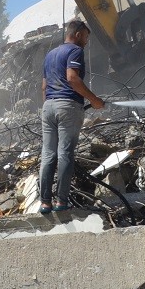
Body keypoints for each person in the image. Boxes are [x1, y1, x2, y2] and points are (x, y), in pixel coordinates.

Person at [38, 20, 105, 214]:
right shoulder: (75, 51)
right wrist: (94, 100)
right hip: (67, 106)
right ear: (77, 34)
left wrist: (49, 105)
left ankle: (45, 203)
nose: (86, 41)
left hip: (48, 106)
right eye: (86, 37)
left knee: (48, 155)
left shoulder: (49, 55)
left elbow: (44, 87)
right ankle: (61, 202)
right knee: (65, 153)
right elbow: (72, 78)